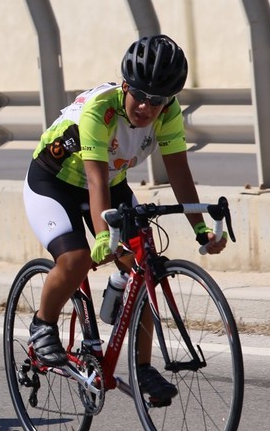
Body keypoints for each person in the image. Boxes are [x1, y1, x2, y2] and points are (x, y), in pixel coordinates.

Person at [22, 34, 227, 404]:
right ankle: (42, 326)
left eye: (158, 100)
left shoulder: (167, 112)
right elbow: (95, 180)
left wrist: (200, 228)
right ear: (125, 86)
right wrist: (104, 237)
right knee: (76, 259)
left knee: (143, 266)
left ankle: (142, 366)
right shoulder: (100, 110)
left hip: (111, 184)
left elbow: (178, 172)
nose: (147, 107)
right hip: (54, 183)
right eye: (141, 95)